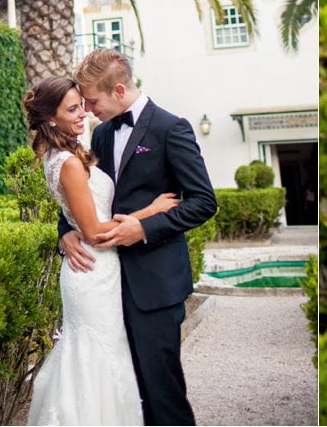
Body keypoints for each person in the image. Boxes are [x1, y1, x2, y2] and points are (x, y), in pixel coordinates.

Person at [58, 49, 217, 426]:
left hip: (155, 284)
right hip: (106, 285)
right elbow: (83, 195)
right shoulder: (103, 133)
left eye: (93, 101)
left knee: (161, 390)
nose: (89, 109)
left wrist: (143, 228)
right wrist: (65, 232)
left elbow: (203, 202)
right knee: (123, 389)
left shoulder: (171, 128)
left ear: (117, 89)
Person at [23, 75, 180, 426]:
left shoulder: (65, 155)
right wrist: (149, 212)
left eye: (82, 105)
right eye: (73, 109)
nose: (83, 114)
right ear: (51, 118)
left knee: (100, 356)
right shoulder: (68, 162)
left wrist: (67, 232)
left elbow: (78, 219)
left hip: (101, 271)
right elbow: (93, 231)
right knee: (96, 358)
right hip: (92, 270)